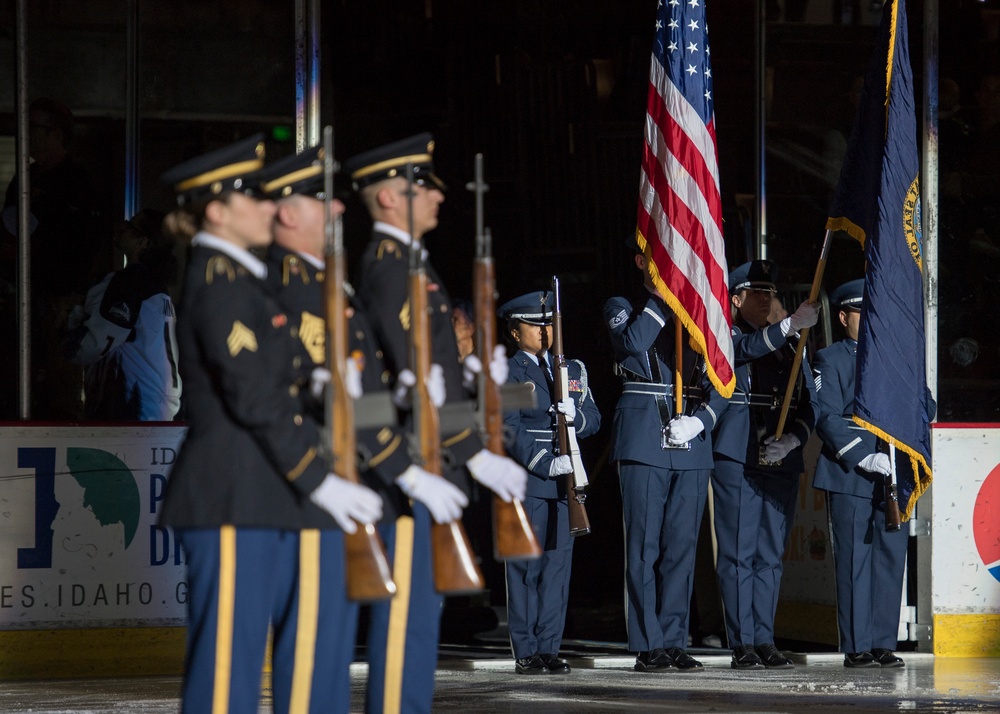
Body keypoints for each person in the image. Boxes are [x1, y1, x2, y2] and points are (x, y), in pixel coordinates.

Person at [157, 135, 383, 714]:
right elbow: (255, 398)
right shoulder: (221, 283)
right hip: (231, 493)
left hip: (256, 493)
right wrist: (319, 479)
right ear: (215, 211)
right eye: (253, 198)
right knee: (226, 669)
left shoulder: (243, 280)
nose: (268, 208)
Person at [343, 133, 528, 714]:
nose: (437, 197)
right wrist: (472, 451)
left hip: (428, 459)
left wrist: (479, 378)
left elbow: (438, 370)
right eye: (421, 186)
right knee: (406, 621)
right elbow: (414, 377)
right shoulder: (389, 269)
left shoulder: (414, 266)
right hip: (404, 467)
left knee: (422, 618)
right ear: (389, 199)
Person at [603, 247, 728, 673]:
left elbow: (722, 376)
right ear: (641, 262)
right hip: (644, 438)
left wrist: (701, 421)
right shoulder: (622, 307)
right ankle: (646, 642)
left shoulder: (698, 313)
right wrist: (663, 297)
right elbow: (633, 345)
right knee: (643, 546)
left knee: (682, 549)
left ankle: (675, 639)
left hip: (690, 437)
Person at [710, 259, 819, 670]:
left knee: (770, 553)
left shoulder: (790, 344)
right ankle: (742, 642)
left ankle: (764, 637)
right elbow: (745, 351)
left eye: (768, 292)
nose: (764, 298)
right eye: (754, 292)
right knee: (739, 552)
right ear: (735, 300)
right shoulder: (728, 336)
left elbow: (811, 403)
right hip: (738, 451)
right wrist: (789, 325)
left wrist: (793, 440)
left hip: (779, 454)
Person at [812, 278, 921, 669]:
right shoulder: (832, 358)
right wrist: (863, 457)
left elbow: (926, 404)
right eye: (861, 311)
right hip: (852, 472)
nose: (870, 317)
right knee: (856, 559)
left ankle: (881, 642)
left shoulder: (896, 357)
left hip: (894, 471)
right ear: (844, 317)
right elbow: (825, 416)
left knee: (890, 560)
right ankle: (857, 645)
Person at [497, 290, 601, 675]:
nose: (544, 332)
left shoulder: (571, 369)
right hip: (530, 478)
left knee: (557, 568)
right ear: (514, 331)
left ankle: (549, 647)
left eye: (548, 325)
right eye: (534, 325)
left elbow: (594, 417)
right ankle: (525, 648)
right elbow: (508, 428)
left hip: (567, 480)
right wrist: (544, 462)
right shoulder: (509, 372)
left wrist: (575, 418)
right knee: (526, 566)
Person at [2, 97, 110, 419]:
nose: (27, 135)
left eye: (34, 128)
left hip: (59, 302)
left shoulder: (77, 183)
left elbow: (86, 246)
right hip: (19, 300)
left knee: (61, 391)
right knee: (17, 387)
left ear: (57, 134)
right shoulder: (24, 180)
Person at [62, 208, 181, 421]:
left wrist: (66, 327)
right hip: (160, 408)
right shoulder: (158, 289)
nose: (122, 225)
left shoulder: (130, 282)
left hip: (133, 408)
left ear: (144, 243)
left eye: (131, 225)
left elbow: (91, 345)